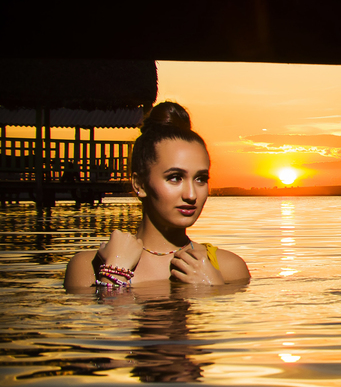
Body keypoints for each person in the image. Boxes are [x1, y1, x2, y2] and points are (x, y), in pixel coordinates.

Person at [64, 102, 250, 290]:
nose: (191, 195)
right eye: (175, 178)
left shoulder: (229, 269)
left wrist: (213, 289)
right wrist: (114, 273)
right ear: (140, 184)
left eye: (200, 179)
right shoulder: (87, 268)